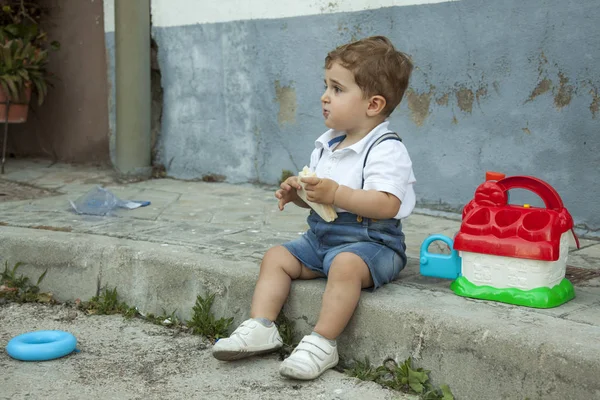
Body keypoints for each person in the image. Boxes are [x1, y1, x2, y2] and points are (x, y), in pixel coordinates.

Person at [212, 35, 416, 381]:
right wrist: (300, 195)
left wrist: (336, 192)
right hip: (321, 239)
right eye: (326, 86)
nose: (324, 97)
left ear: (373, 104)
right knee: (276, 257)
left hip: (373, 244)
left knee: (345, 265)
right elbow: (322, 198)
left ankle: (322, 343)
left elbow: (388, 203)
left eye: (337, 89)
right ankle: (262, 326)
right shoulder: (328, 144)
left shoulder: (385, 148)